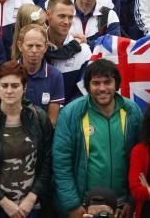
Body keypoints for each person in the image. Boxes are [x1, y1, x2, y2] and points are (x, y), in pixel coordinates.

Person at [53, 59, 141, 216]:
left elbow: (140, 161)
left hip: (122, 206)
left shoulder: (132, 111)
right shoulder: (71, 113)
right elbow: (61, 163)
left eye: (108, 82)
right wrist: (72, 205)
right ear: (88, 86)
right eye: (96, 83)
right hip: (84, 206)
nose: (102, 88)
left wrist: (131, 200)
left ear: (116, 84)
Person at [0, 60, 53, 218]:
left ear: (24, 88)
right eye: (4, 85)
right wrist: (4, 202)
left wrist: (32, 198)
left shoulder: (38, 117)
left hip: (30, 207)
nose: (9, 91)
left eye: (15, 86)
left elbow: (47, 162)